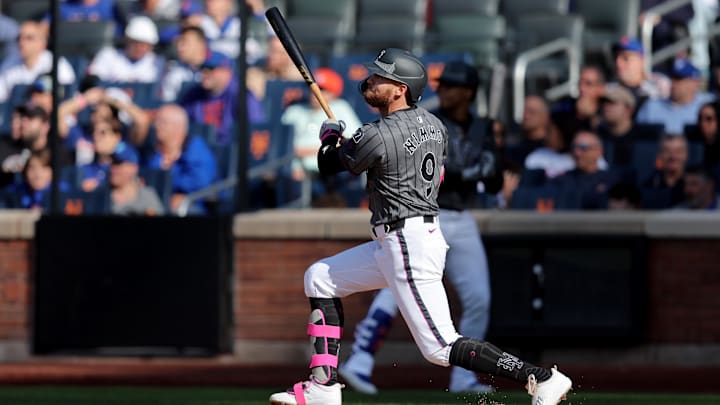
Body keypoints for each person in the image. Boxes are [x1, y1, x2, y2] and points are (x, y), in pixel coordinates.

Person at [268, 48, 572, 405]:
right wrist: (346, 142)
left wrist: (329, 138)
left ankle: (541, 377)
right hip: (405, 234)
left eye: (380, 77)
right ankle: (323, 387)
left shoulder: (379, 134)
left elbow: (329, 165)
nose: (370, 81)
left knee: (440, 347)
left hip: (406, 238)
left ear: (400, 89)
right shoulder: (434, 124)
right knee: (319, 276)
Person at [338, 60, 502, 396]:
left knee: (479, 299)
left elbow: (495, 177)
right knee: (394, 293)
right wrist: (471, 173)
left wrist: (479, 171)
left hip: (461, 217)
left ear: (469, 92)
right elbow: (449, 172)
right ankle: (360, 360)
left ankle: (462, 378)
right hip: (421, 215)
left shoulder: (482, 127)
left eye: (452, 85)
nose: (444, 90)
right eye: (442, 84)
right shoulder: (426, 120)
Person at [280, 67, 362, 204]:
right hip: (298, 168)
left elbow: (353, 141)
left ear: (334, 93)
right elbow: (282, 146)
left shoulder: (340, 108)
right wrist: (294, 163)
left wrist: (309, 151)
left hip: (331, 170)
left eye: (322, 89)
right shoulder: (294, 111)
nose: (315, 94)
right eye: (313, 89)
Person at [179, 51, 265, 145]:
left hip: (231, 153)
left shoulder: (243, 96)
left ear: (226, 71)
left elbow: (256, 130)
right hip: (200, 151)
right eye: (202, 68)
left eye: (210, 68)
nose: (204, 73)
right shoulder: (193, 95)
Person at [145, 104, 217, 213]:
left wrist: (168, 177)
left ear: (179, 127)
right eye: (156, 121)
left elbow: (199, 182)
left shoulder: (196, 149)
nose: (157, 125)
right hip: (156, 200)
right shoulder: (154, 150)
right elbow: (148, 177)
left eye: (163, 122)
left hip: (194, 204)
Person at [0, 20, 76, 103]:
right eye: (19, 38)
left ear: (42, 43)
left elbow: (68, 97)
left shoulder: (56, 63)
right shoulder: (9, 64)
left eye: (29, 38)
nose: (21, 43)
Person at [636, 58, 715, 134]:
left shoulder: (709, 104)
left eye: (679, 79)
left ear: (695, 83)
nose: (673, 83)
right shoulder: (652, 107)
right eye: (672, 78)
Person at [549, 130, 617, 210]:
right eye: (574, 147)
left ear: (599, 151)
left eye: (583, 148)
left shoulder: (612, 182)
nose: (577, 153)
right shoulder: (560, 181)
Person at [87, 15, 164, 83]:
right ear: (127, 40)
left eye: (144, 45)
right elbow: (94, 83)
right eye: (136, 43)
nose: (139, 48)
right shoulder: (108, 56)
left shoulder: (158, 63)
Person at [610, 36, 669, 113]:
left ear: (641, 60)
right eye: (615, 58)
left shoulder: (660, 84)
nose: (618, 63)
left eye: (625, 58)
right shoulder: (609, 90)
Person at [109, 143, 165, 215]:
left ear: (134, 168)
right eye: (112, 163)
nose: (113, 169)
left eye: (118, 163)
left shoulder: (147, 196)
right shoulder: (100, 196)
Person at [160, 26, 209, 102]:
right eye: (178, 43)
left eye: (184, 42)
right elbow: (167, 102)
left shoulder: (217, 68)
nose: (179, 47)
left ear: (201, 44)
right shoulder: (175, 72)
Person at [596, 83, 640, 167]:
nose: (606, 107)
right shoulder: (597, 134)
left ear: (629, 109)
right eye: (604, 102)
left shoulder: (643, 137)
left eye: (612, 103)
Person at [641, 134, 689, 209]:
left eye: (678, 151)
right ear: (659, 155)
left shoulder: (695, 188)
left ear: (685, 154)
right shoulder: (647, 188)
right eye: (667, 151)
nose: (673, 156)